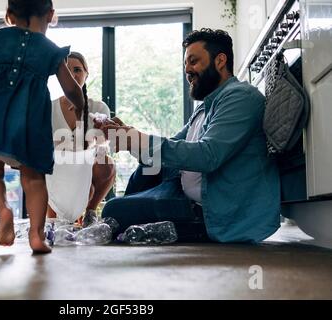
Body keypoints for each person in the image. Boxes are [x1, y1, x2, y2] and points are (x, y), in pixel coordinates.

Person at [98, 28, 281, 243]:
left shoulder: (242, 98)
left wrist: (138, 139)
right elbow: (168, 150)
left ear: (220, 61)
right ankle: (135, 218)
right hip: (181, 191)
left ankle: (174, 227)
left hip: (212, 210)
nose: (188, 71)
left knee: (114, 211)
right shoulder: (205, 107)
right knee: (145, 170)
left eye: (193, 61)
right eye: (186, 64)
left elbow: (208, 156)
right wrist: (127, 136)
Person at [0, 0, 85, 253]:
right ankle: (36, 236)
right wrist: (79, 105)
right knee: (34, 180)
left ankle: (3, 210)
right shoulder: (51, 51)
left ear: (9, 15)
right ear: (51, 15)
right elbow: (70, 89)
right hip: (28, 126)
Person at [47, 52, 116, 226]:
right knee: (55, 225)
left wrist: (81, 115)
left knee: (106, 164)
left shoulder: (99, 108)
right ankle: (58, 214)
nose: (72, 74)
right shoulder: (48, 108)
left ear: (86, 74)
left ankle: (90, 212)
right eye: (67, 70)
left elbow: (101, 149)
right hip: (56, 171)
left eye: (77, 69)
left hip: (86, 168)